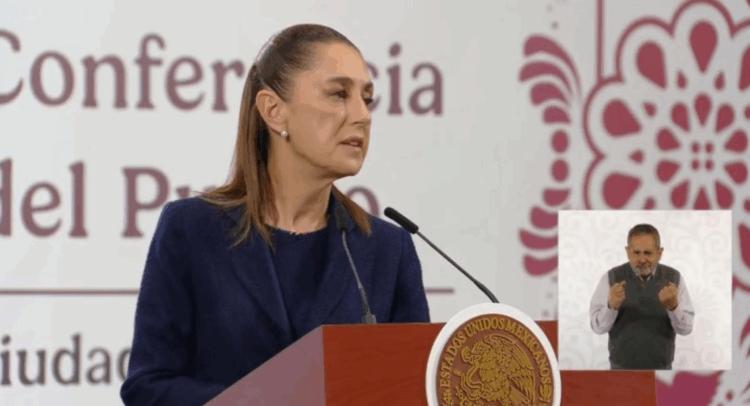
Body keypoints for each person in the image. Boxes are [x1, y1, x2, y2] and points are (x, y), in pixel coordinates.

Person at [120, 24, 430, 406]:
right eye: (339, 94)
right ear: (274, 111)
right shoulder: (191, 230)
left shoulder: (387, 250)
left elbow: (413, 389)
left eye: (367, 99)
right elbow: (147, 388)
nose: (362, 115)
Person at [589, 224, 694, 370]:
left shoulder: (674, 278)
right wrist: (611, 306)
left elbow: (686, 330)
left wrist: (673, 307)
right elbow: (597, 328)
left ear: (660, 253)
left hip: (662, 371)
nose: (642, 259)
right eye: (636, 252)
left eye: (648, 253)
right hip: (620, 370)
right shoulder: (611, 277)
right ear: (627, 252)